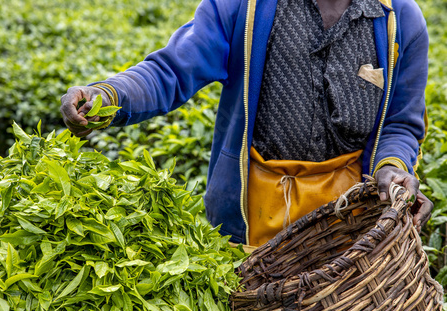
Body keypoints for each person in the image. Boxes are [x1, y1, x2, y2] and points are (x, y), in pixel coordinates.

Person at [60, 0, 433, 247]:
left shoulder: (401, 20)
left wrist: (392, 169)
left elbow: (400, 123)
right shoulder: (246, 5)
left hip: (349, 222)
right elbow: (172, 70)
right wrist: (109, 96)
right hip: (251, 212)